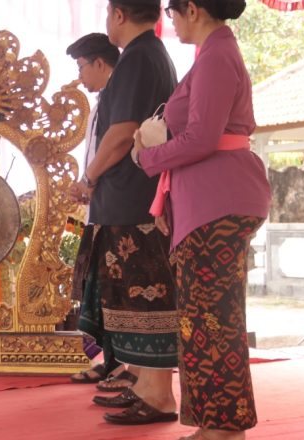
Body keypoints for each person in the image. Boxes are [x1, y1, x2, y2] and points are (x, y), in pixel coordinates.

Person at [132, 1, 271, 438]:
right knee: (203, 319)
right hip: (208, 201)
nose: (169, 21)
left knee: (212, 320)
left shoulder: (216, 55)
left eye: (171, 12)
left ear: (191, 8)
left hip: (218, 202)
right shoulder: (211, 54)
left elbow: (202, 138)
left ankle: (226, 428)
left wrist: (147, 155)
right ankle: (217, 423)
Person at [68, 0, 180, 425]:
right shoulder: (148, 55)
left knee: (145, 295)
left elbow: (121, 134)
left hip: (134, 199)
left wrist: (89, 178)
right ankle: (146, 385)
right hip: (134, 198)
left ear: (117, 14)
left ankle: (158, 395)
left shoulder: (139, 58)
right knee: (136, 298)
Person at [64, 33, 134, 387]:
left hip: (116, 206)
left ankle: (124, 367)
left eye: (81, 68)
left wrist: (87, 181)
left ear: (101, 64)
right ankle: (110, 361)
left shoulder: (117, 101)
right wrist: (85, 181)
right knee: (103, 291)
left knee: (117, 292)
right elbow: (95, 153)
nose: (80, 77)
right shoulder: (102, 103)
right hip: (100, 205)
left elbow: (117, 147)